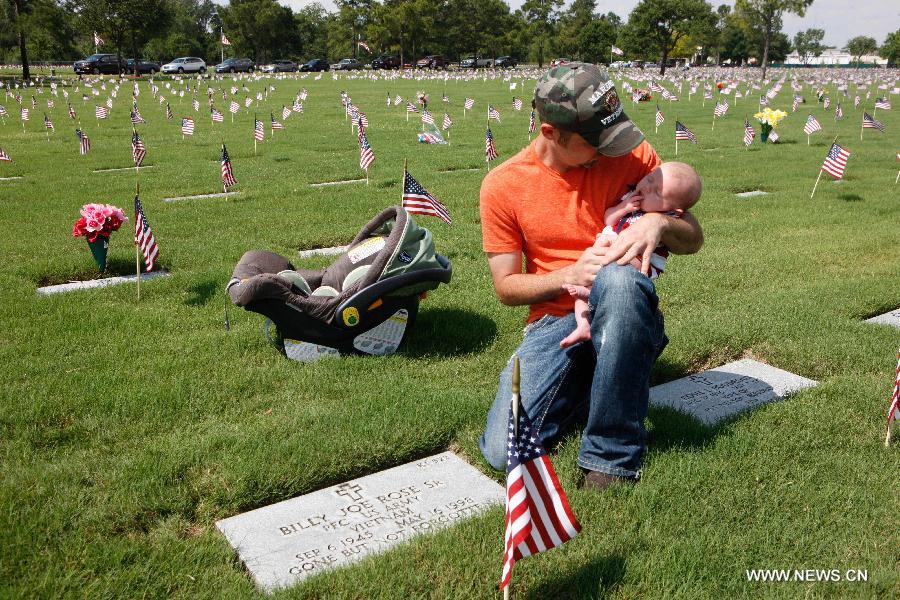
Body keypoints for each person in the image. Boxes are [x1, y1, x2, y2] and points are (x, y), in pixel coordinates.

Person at [478, 62, 704, 490]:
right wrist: (572, 272)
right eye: (596, 142)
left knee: (618, 282)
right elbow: (506, 288)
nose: (610, 151)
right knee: (501, 449)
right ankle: (610, 370)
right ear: (551, 133)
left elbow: (692, 236)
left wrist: (658, 225)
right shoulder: (502, 186)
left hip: (622, 302)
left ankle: (610, 458)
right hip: (553, 323)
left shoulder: (630, 156)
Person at [559, 162, 702, 349]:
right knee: (580, 292)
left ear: (673, 210)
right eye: (650, 178)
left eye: (657, 193)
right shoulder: (632, 198)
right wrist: (624, 208)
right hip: (606, 254)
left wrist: (659, 223)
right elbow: (609, 218)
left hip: (638, 261)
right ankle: (584, 325)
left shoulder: (668, 217)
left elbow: (690, 238)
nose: (647, 187)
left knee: (616, 271)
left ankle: (591, 292)